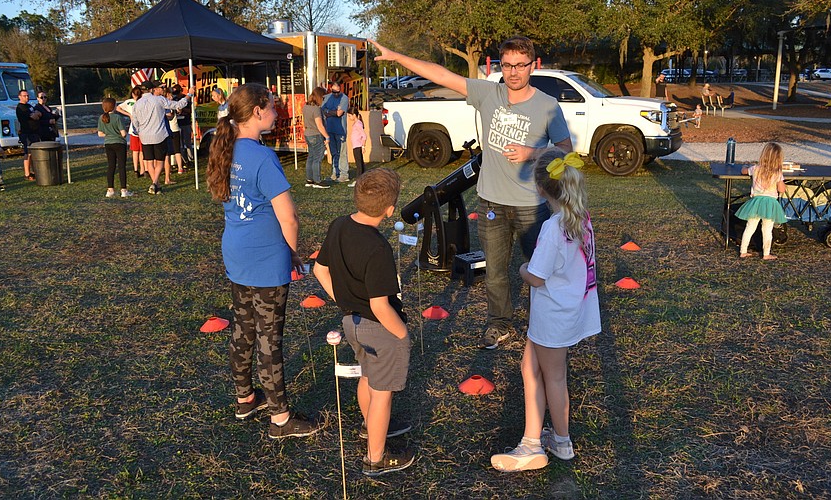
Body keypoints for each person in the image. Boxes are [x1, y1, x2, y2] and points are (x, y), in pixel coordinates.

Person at [370, 35, 573, 350]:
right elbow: (441, 74)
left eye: (520, 65)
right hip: (491, 201)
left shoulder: (547, 106)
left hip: (531, 205)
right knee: (495, 272)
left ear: (533, 65)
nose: (514, 72)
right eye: (507, 65)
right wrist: (398, 55)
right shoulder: (488, 93)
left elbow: (565, 151)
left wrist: (531, 152)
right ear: (500, 66)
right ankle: (499, 325)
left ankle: (544, 326)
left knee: (540, 270)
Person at [206, 83, 320, 440]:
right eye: (273, 107)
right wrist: (292, 254)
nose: (278, 112)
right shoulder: (262, 156)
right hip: (266, 258)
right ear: (256, 111)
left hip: (237, 253)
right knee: (269, 338)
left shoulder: (226, 148)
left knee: (243, 327)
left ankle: (245, 399)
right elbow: (289, 218)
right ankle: (280, 419)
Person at [490, 149, 601, 472]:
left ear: (540, 188)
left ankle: (548, 444)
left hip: (553, 315)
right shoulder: (580, 216)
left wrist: (523, 268)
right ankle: (537, 439)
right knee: (530, 368)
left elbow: (536, 277)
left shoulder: (554, 228)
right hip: (566, 310)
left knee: (553, 377)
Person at [314, 168, 415, 476]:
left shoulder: (339, 225)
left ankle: (369, 426)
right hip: (380, 327)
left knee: (368, 377)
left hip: (352, 324)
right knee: (383, 392)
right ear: (389, 210)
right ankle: (376, 458)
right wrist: (401, 335)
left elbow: (319, 271)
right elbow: (380, 305)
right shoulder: (378, 249)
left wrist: (343, 301)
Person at [132, 81, 193, 195]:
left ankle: (155, 184)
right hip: (159, 134)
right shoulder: (158, 100)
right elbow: (177, 105)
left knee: (149, 161)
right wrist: (189, 95)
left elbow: (134, 122)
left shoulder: (137, 104)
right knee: (160, 160)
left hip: (144, 136)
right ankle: (155, 182)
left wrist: (138, 131)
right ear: (152, 89)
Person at [736, 142, 787, 260]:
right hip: (770, 204)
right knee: (767, 229)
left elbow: (744, 171)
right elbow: (781, 189)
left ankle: (743, 251)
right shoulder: (777, 173)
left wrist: (744, 167)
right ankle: (766, 253)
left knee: (750, 227)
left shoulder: (755, 168)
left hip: (756, 203)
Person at [97, 97, 131, 198]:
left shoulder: (101, 118)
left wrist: (108, 134)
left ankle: (110, 189)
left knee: (111, 166)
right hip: (119, 143)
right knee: (121, 166)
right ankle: (123, 190)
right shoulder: (117, 118)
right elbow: (123, 133)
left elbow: (100, 134)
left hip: (108, 143)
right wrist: (119, 134)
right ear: (113, 107)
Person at [301, 86, 330, 188]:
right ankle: (317, 180)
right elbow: (319, 125)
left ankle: (309, 179)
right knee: (317, 158)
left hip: (308, 134)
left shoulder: (306, 107)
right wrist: (327, 137)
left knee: (311, 157)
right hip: (316, 134)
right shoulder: (316, 109)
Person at [322, 82, 350, 183]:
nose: (336, 94)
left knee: (342, 152)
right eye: (334, 92)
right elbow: (323, 111)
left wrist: (329, 112)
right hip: (329, 129)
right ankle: (335, 173)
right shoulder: (327, 97)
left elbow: (339, 113)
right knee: (334, 153)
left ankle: (344, 174)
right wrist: (332, 112)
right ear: (331, 89)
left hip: (340, 129)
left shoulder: (344, 98)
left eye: (338, 92)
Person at [116, 86, 145, 177]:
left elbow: (118, 108)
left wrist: (129, 114)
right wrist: (129, 114)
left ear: (133, 94)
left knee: (135, 151)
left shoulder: (129, 102)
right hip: (144, 129)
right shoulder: (143, 102)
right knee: (142, 151)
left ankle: (136, 169)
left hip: (134, 130)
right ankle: (143, 170)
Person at [16, 89, 42, 180]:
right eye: (24, 96)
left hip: (35, 132)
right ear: (20, 97)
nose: (27, 97)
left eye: (27, 95)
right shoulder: (21, 107)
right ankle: (27, 173)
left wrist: (35, 114)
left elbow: (39, 114)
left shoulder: (29, 106)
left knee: (34, 153)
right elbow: (34, 116)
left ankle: (35, 171)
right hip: (27, 133)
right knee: (28, 153)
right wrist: (35, 114)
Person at [171, 83, 192, 170]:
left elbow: (190, 110)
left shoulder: (185, 99)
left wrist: (182, 109)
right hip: (177, 124)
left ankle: (190, 159)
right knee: (179, 144)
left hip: (186, 122)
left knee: (187, 143)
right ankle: (183, 160)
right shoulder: (173, 99)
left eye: (177, 91)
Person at [347, 105, 367, 186]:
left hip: (358, 146)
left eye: (349, 116)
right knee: (360, 163)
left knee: (359, 164)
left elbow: (364, 135)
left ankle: (358, 181)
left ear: (354, 115)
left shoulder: (358, 124)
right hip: (356, 146)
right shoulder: (356, 123)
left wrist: (363, 146)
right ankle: (363, 179)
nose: (349, 117)